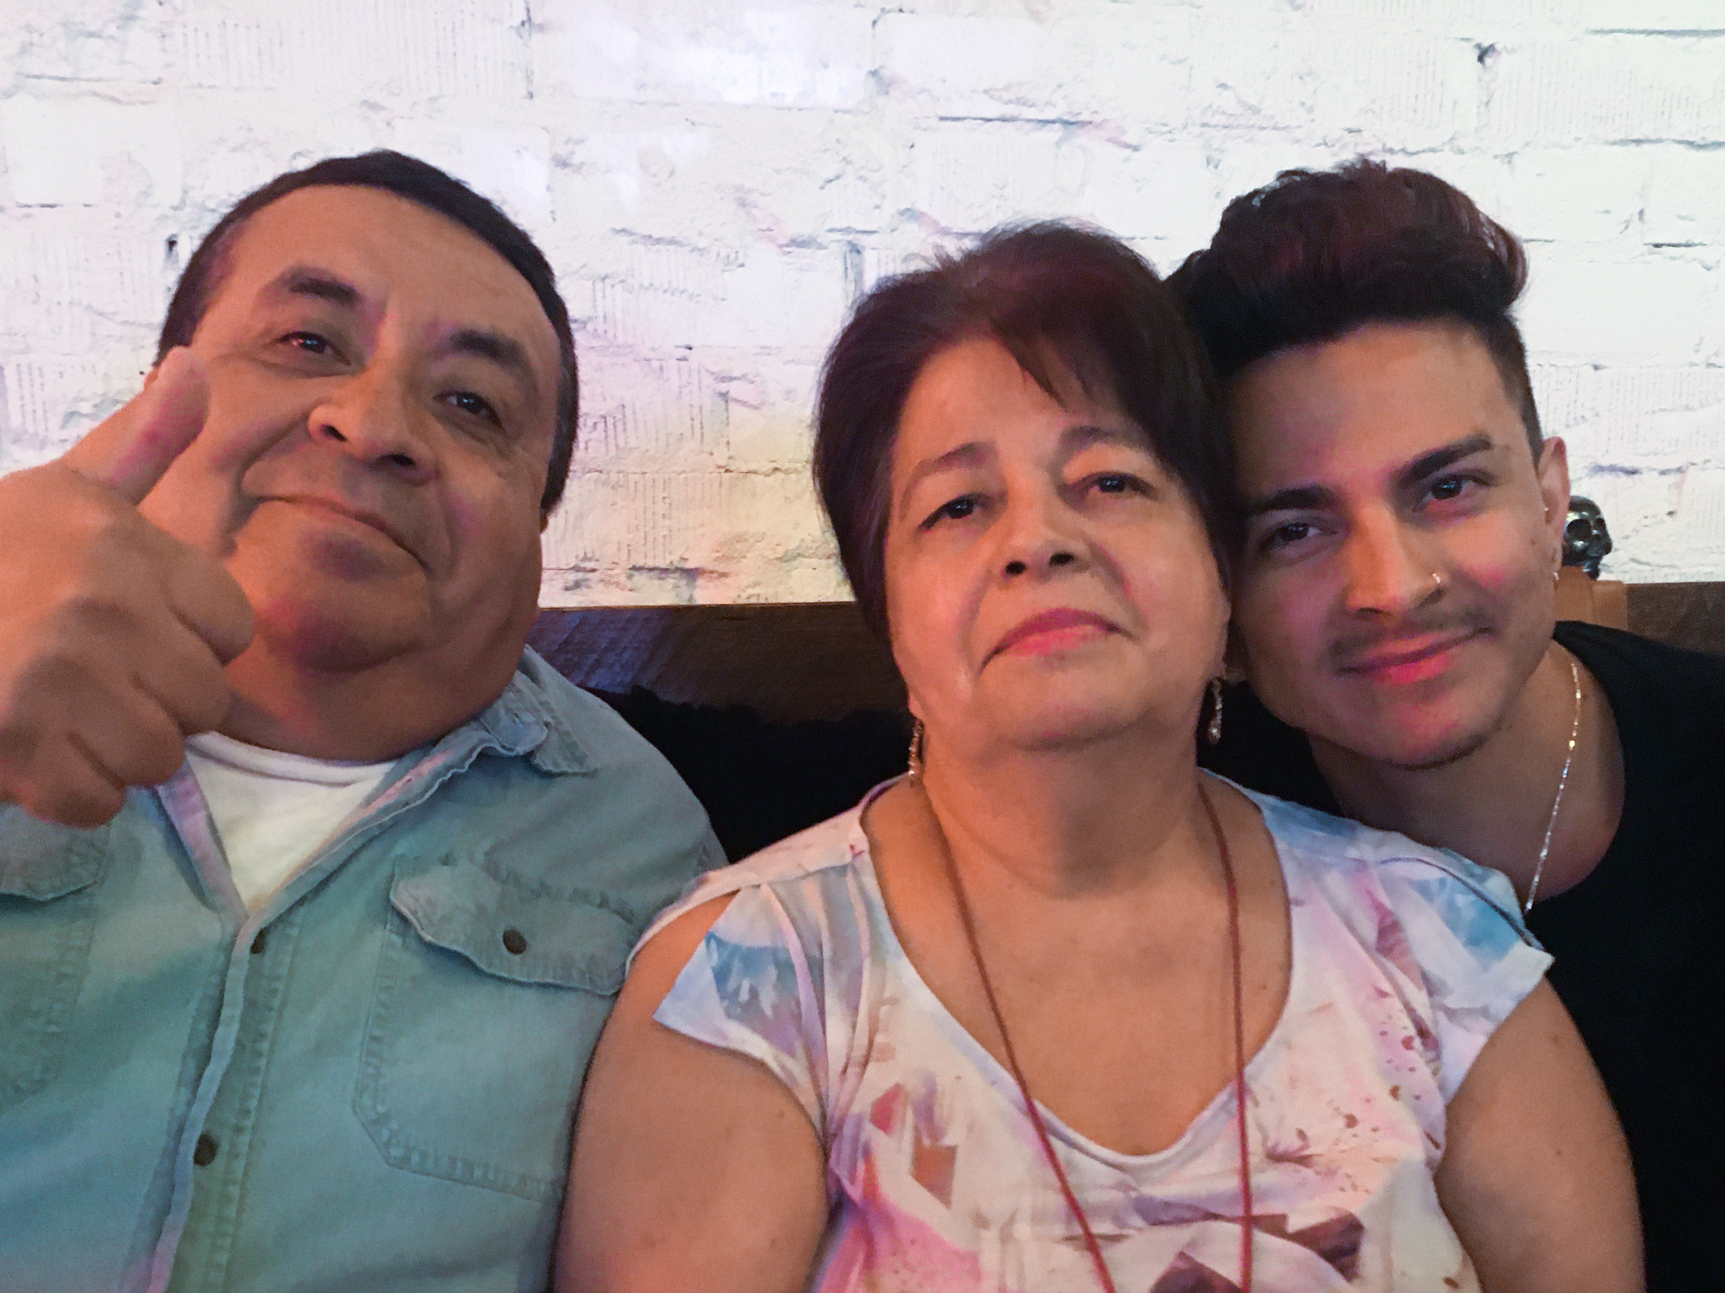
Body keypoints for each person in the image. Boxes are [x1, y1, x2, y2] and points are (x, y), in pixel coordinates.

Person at [562, 223, 1640, 1293]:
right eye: (958, 506)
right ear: (889, 615)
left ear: (1220, 573)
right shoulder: (751, 983)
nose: (1038, 539)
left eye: (1110, 481)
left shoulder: (1436, 943)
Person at [0, 151, 720, 1291]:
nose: (374, 423)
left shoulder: (649, 855)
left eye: (472, 405)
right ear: (157, 392)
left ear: (539, 523)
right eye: (307, 342)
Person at [1170, 158, 1725, 1292]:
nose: (1390, 586)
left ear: (1550, 497)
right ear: (1220, 590)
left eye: (1447, 488)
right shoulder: (1174, 827)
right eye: (1294, 530)